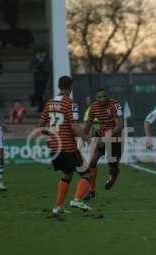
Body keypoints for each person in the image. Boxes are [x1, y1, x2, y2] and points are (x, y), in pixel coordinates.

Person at [38, 75, 92, 216]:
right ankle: (77, 200)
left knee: (67, 174)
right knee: (87, 173)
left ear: (58, 86)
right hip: (67, 146)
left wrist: (52, 134)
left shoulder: (49, 103)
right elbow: (74, 126)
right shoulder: (70, 103)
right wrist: (86, 138)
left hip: (54, 147)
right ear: (71, 87)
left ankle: (57, 207)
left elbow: (40, 126)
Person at [83, 88, 124, 201]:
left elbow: (120, 126)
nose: (102, 99)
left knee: (113, 166)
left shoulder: (115, 105)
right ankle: (91, 190)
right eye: (99, 97)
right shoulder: (94, 107)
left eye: (104, 96)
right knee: (92, 162)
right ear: (96, 98)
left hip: (115, 138)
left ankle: (113, 176)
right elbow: (88, 124)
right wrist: (84, 136)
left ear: (108, 96)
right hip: (102, 137)